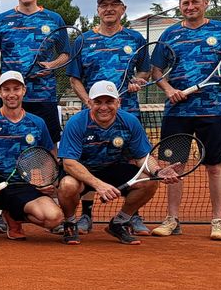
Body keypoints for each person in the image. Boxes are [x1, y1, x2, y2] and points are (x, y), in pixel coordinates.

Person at [150, 0, 221, 241]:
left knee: (214, 167)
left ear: (205, 3)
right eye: (185, 3)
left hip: (211, 111)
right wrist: (168, 90)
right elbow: (157, 71)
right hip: (176, 112)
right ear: (180, 6)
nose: (190, 7)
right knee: (174, 167)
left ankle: (218, 220)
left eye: (194, 2)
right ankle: (172, 219)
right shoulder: (169, 34)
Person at [0, 0, 69, 239]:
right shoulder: (2, 20)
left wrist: (52, 64)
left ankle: (45, 193)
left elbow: (66, 54)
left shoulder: (53, 19)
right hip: (10, 96)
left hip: (43, 96)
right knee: (1, 149)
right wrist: (0, 85)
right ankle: (2, 211)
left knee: (47, 150)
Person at [65, 0, 151, 236]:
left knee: (130, 162)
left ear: (123, 9)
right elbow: (74, 79)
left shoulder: (135, 38)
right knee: (88, 162)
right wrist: (89, 103)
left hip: (127, 112)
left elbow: (144, 72)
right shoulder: (82, 41)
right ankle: (86, 215)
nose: (109, 8)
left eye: (114, 4)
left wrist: (138, 81)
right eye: (104, 5)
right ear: (98, 10)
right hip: (92, 114)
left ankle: (130, 216)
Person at [0, 71, 66, 246]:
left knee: (54, 218)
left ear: (23, 90)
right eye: (6, 89)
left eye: (16, 88)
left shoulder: (37, 123)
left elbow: (49, 156)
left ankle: (13, 215)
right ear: (0, 93)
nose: (11, 94)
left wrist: (48, 181)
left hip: (24, 185)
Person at [57, 81, 171, 245]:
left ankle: (120, 222)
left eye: (109, 102)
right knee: (67, 185)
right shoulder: (77, 123)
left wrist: (158, 172)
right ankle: (70, 222)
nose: (104, 107)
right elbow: (69, 163)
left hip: (113, 168)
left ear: (118, 103)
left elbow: (142, 157)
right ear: (89, 103)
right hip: (82, 171)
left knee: (148, 182)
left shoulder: (130, 122)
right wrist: (98, 185)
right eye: (98, 102)